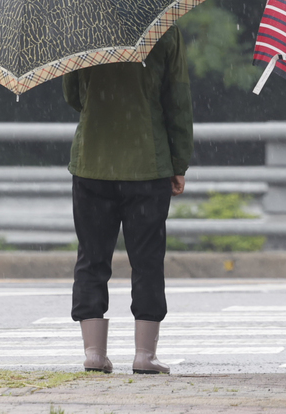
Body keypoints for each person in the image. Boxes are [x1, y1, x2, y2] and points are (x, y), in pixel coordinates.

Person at [62, 25, 192, 376]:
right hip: (148, 166)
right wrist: (179, 162)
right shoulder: (164, 28)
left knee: (91, 257)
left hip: (92, 162)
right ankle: (145, 355)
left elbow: (73, 96)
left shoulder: (82, 27)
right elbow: (177, 101)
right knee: (147, 260)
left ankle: (93, 353)